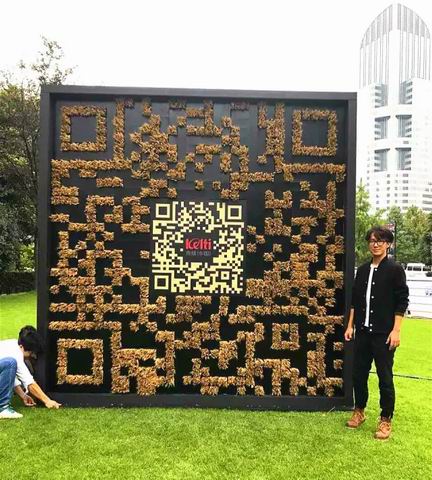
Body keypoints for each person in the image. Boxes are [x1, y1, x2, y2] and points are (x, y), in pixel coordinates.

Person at [344, 226, 409, 440]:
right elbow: (355, 301)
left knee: (385, 377)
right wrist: (350, 326)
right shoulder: (363, 270)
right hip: (362, 332)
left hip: (384, 334)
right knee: (358, 374)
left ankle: (385, 419)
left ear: (388, 244)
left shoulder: (395, 269)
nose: (376, 244)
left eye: (380, 241)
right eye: (372, 241)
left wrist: (396, 331)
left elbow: (402, 301)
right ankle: (359, 411)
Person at [0, 325, 61, 419]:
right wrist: (47, 401)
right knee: (11, 363)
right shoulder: (16, 355)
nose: (31, 356)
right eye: (30, 353)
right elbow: (29, 383)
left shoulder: (13, 345)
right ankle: (3, 409)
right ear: (21, 347)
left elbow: (9, 378)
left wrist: (23, 396)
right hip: (10, 362)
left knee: (10, 364)